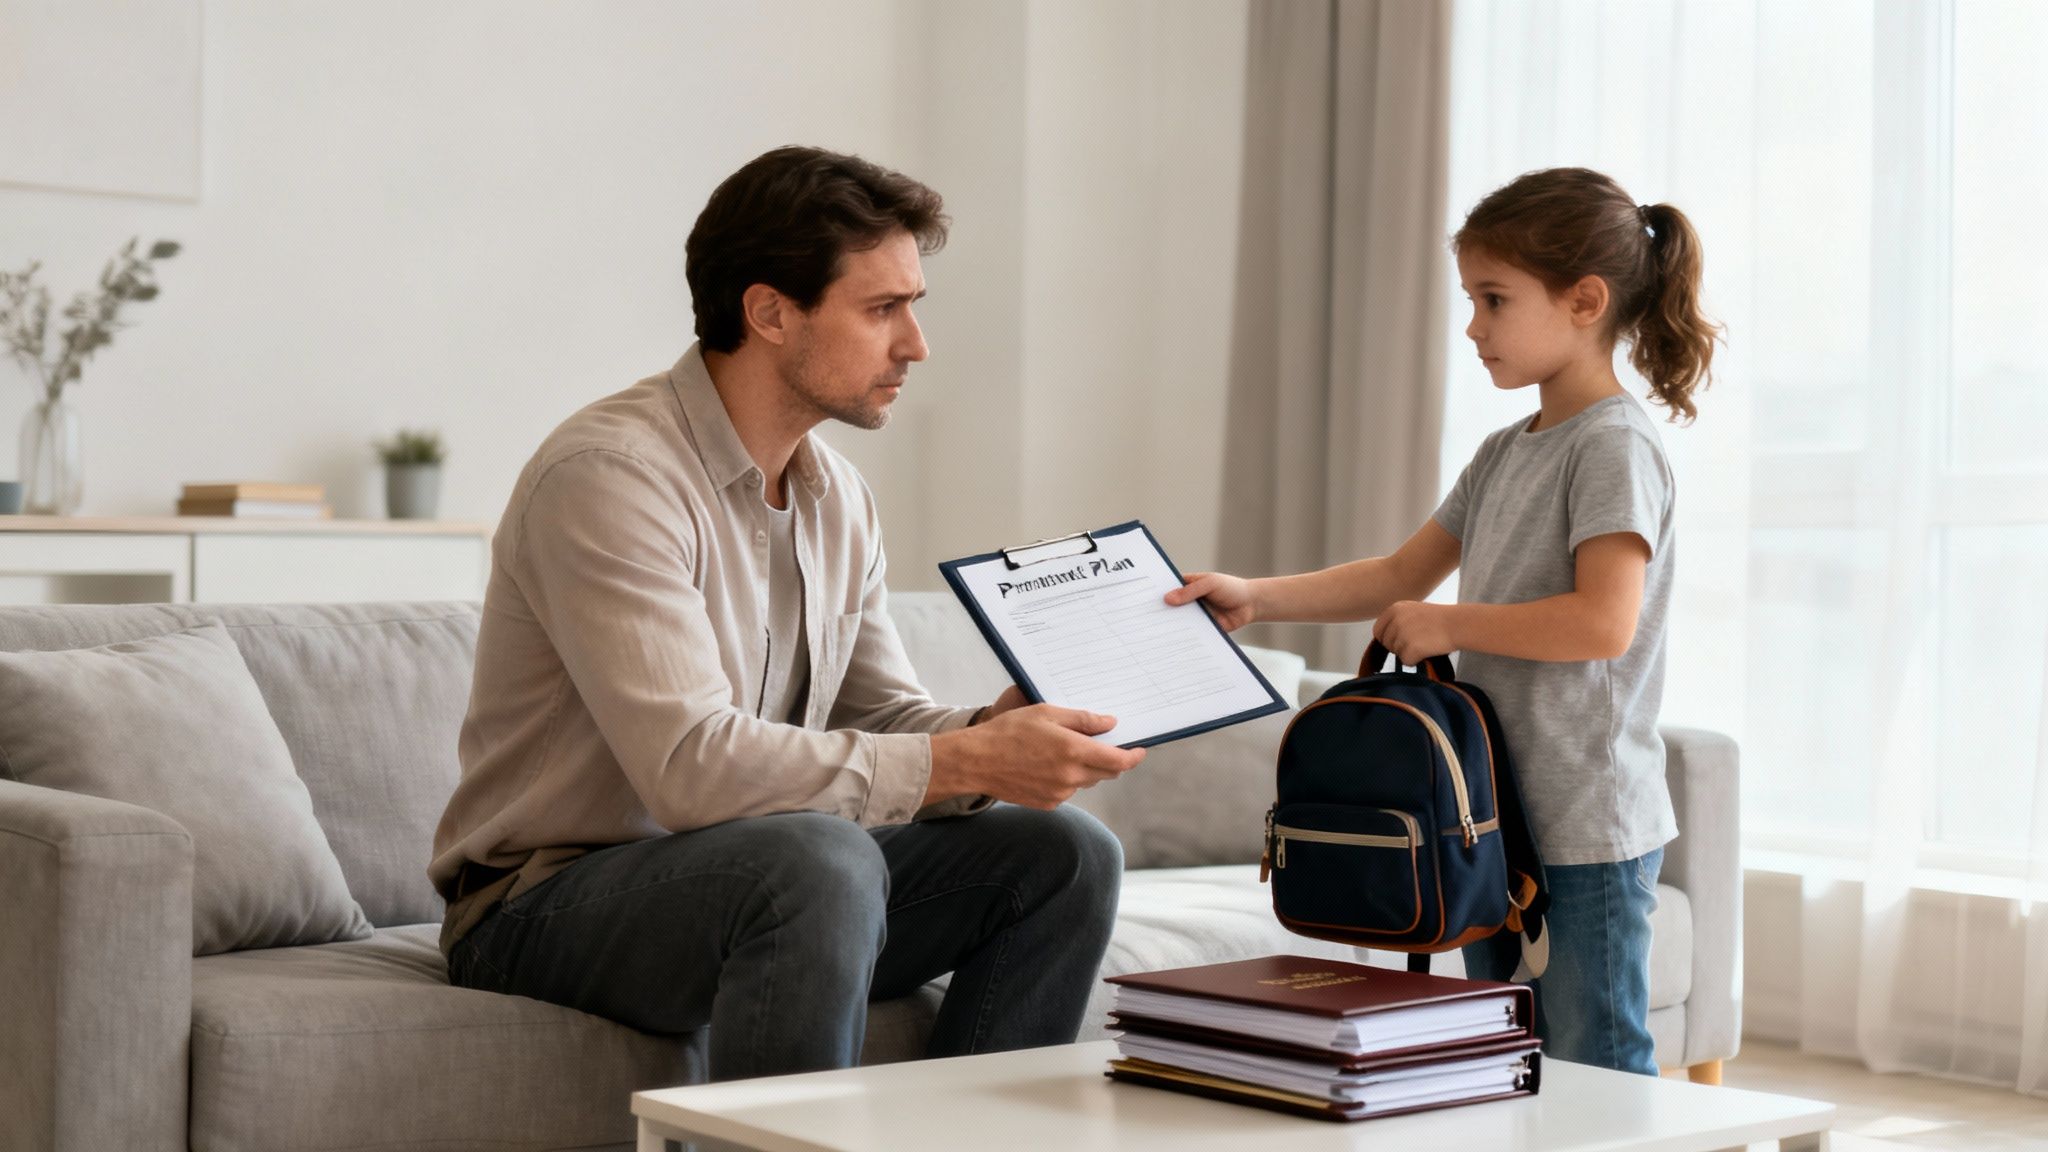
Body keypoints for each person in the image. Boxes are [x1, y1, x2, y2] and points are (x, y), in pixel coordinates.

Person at [429, 145, 1145, 1081]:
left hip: (765, 881)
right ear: (770, 311)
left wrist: (993, 734)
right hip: (543, 904)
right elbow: (690, 772)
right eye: (883, 308)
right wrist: (962, 760)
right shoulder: (609, 477)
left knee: (1065, 853)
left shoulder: (835, 494)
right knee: (817, 859)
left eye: (913, 307)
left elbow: (880, 714)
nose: (916, 344)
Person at [1168, 167, 1720, 1076]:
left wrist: (1451, 622)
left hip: (1587, 820)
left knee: (1598, 1058)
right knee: (1504, 1052)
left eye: (1494, 300)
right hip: (1487, 817)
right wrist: (1257, 597)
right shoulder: (1507, 451)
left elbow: (1602, 623)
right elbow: (1396, 574)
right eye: (1471, 300)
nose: (1473, 327)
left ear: (1585, 300)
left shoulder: (1614, 446)